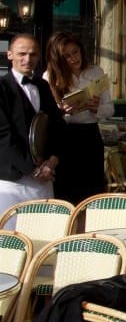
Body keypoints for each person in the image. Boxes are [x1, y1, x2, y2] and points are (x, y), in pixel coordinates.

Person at [43, 31, 113, 204]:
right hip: (66, 136)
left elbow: (110, 108)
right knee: (66, 191)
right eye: (67, 56)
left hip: (90, 135)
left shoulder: (95, 72)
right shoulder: (49, 77)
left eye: (75, 52)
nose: (74, 58)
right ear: (58, 59)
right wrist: (62, 111)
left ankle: (90, 230)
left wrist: (97, 108)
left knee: (92, 192)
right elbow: (46, 116)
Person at [0, 34, 64, 223]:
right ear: (9, 54)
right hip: (11, 181)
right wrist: (33, 170)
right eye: (22, 54)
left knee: (44, 235)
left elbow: (57, 126)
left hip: (44, 178)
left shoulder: (43, 86)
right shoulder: (1, 88)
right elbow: (4, 135)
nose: (28, 59)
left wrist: (52, 161)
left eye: (33, 54)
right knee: (10, 241)